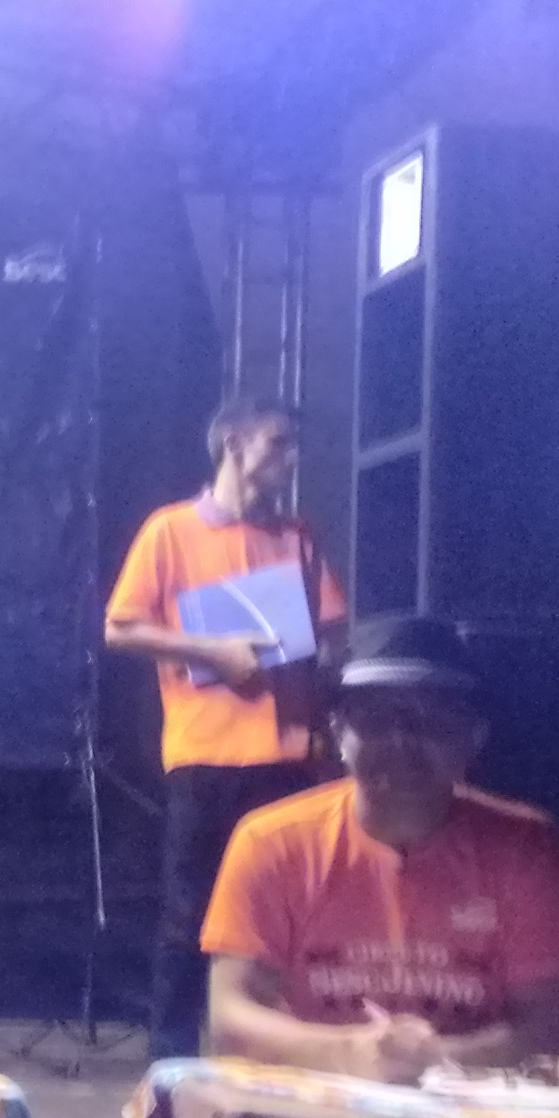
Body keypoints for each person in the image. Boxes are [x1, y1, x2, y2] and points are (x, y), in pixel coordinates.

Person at [202, 616, 559, 1082]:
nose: (402, 741)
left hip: (477, 1107)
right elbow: (229, 1017)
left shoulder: (526, 849)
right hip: (315, 1102)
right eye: (376, 719)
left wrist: (432, 1061)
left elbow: (551, 1031)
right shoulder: (272, 842)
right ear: (337, 733)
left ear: (473, 737)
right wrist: (351, 1052)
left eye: (431, 720)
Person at [104, 393, 348, 1057]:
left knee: (285, 919)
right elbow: (120, 627)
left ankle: (277, 1055)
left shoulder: (297, 538)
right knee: (190, 916)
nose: (290, 459)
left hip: (288, 754)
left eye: (293, 446)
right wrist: (212, 652)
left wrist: (321, 677)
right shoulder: (170, 530)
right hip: (207, 757)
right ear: (234, 445)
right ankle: (171, 1066)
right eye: (278, 444)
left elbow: (330, 631)